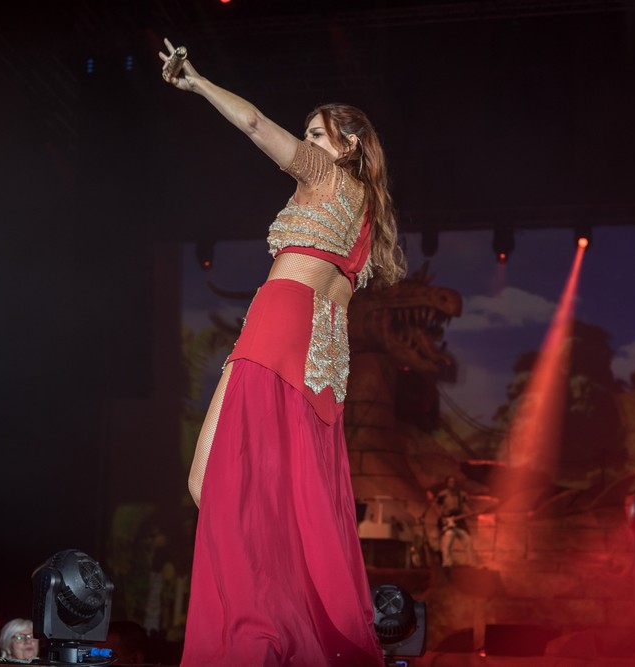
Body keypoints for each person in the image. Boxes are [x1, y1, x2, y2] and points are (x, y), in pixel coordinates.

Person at [161, 37, 405, 666]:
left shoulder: (326, 176)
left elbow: (251, 123)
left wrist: (198, 82)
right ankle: (282, 632)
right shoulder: (367, 214)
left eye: (317, 135)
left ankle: (258, 636)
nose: (307, 144)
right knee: (271, 495)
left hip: (280, 327)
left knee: (214, 482)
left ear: (348, 146)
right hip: (323, 353)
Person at [436, 475, 475, 567]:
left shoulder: (461, 494)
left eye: (454, 482)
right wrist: (442, 519)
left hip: (459, 521)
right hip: (448, 521)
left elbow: (465, 506)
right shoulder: (443, 494)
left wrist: (470, 512)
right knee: (447, 542)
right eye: (450, 482)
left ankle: (471, 563)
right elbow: (438, 508)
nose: (452, 484)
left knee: (468, 540)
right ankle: (447, 564)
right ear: (447, 483)